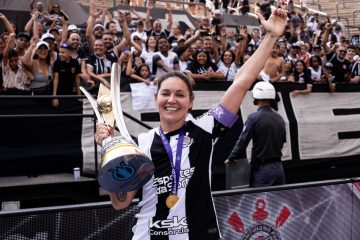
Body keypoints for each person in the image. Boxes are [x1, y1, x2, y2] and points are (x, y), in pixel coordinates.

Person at [95, 7, 286, 239]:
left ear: (191, 102)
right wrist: (111, 151)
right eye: (165, 93)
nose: (172, 100)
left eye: (180, 94)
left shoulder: (205, 129)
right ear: (156, 99)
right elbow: (120, 203)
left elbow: (241, 82)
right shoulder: (140, 144)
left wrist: (271, 37)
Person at [225, 81, 286, 188]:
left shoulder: (253, 118)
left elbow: (242, 142)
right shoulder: (280, 118)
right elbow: (282, 141)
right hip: (279, 169)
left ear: (257, 96)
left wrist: (231, 157)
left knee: (260, 201)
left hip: (262, 171)